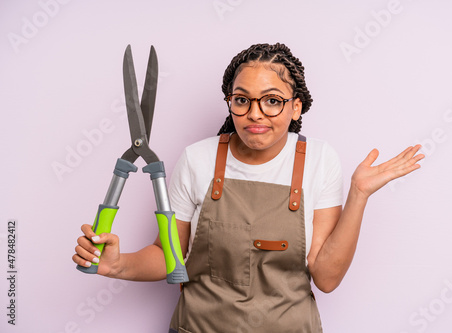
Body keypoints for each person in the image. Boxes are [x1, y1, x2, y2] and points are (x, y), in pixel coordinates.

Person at [73, 43, 424, 332]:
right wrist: (117, 266)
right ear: (231, 102)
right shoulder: (198, 159)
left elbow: (326, 277)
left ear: (296, 106)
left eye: (272, 100)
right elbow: (170, 257)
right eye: (242, 100)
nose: (255, 113)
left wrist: (359, 194)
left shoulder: (319, 159)